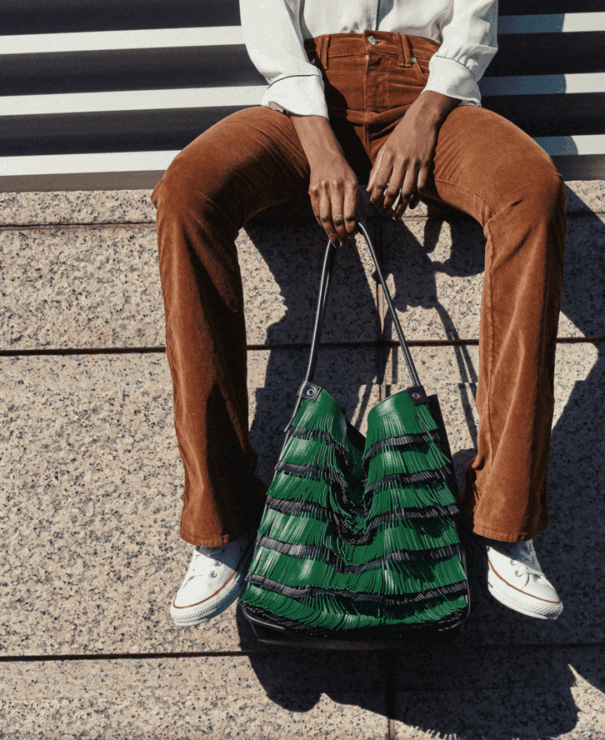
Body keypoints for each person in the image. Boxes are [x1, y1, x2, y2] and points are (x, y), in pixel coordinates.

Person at [150, 0, 567, 627]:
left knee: (531, 191)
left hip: (429, 93)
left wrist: (425, 117)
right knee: (187, 194)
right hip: (308, 99)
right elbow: (270, 23)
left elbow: (474, 23)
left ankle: (506, 518)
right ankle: (221, 521)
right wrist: (320, 145)